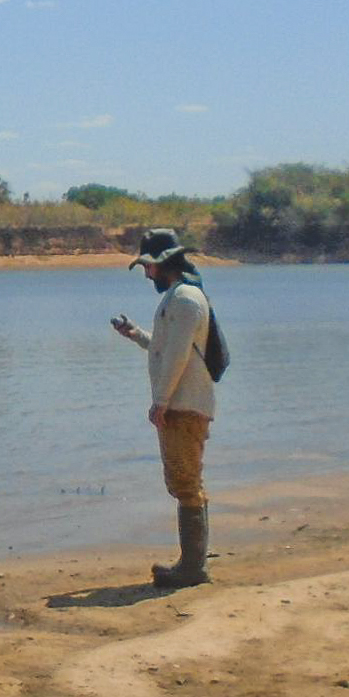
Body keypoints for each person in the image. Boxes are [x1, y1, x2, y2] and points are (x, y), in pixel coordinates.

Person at [110, 228, 215, 588]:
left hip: (184, 405)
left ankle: (192, 568)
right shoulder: (181, 296)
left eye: (148, 267)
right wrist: (137, 335)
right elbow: (167, 350)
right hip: (183, 402)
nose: (146, 274)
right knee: (186, 483)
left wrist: (161, 402)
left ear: (161, 264)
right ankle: (192, 564)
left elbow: (178, 356)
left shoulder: (184, 299)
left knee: (186, 484)